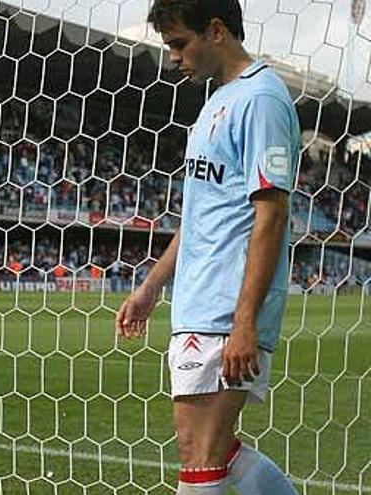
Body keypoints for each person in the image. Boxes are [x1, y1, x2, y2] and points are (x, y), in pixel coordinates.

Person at [115, 1, 299, 494]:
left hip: (224, 310)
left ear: (216, 30)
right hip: (196, 303)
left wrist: (244, 323)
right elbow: (200, 215)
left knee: (200, 455)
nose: (174, 57)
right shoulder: (217, 101)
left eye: (180, 43)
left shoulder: (261, 99)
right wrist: (152, 287)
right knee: (210, 447)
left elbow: (272, 214)